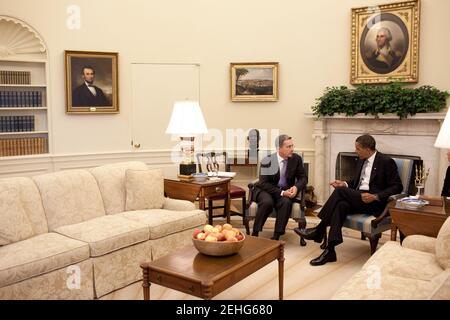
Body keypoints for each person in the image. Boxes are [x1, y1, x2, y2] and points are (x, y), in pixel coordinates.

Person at [295, 134, 403, 266]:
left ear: (368, 149)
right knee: (341, 205)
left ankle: (319, 229)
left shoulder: (386, 162)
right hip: (358, 198)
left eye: (358, 149)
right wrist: (344, 184)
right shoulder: (361, 160)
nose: (355, 151)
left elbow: (398, 186)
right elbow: (357, 182)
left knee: (340, 193)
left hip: (374, 202)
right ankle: (330, 251)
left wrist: (376, 196)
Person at [251, 134, 307, 240]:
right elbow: (263, 183)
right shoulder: (267, 160)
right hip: (266, 190)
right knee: (267, 202)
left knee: (286, 202)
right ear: (279, 148)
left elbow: (303, 178)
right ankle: (255, 232)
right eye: (288, 147)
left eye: (292, 146)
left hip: (285, 191)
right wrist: (282, 193)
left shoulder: (296, 159)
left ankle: (276, 235)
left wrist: (296, 187)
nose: (292, 149)